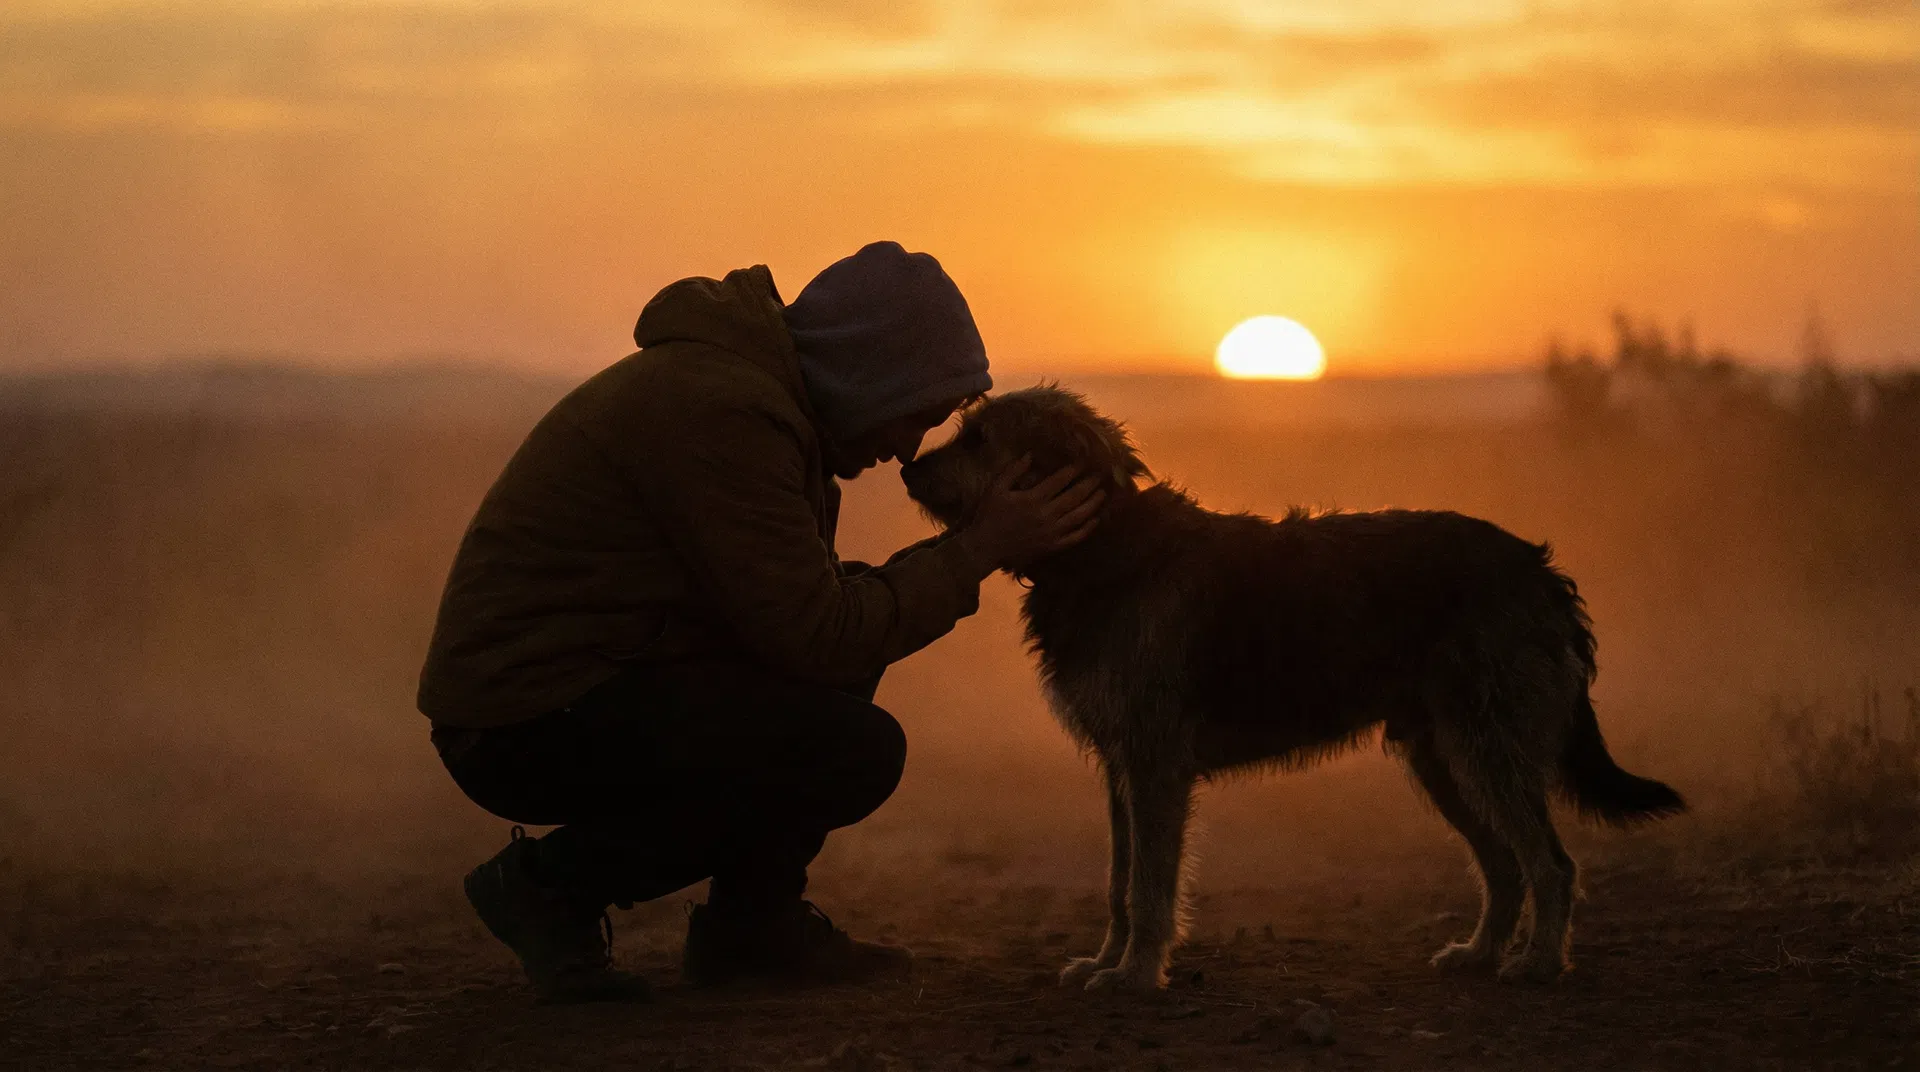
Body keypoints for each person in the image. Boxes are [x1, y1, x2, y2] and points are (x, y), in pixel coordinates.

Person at [417, 241, 1103, 1002]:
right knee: (852, 749)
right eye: (915, 414)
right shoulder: (728, 413)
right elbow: (819, 637)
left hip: (577, 685)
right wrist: (977, 551)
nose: (907, 450)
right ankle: (551, 888)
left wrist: (940, 565)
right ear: (871, 372)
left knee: (842, 670)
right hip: (526, 717)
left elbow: (804, 617)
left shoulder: (758, 405)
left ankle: (752, 929)